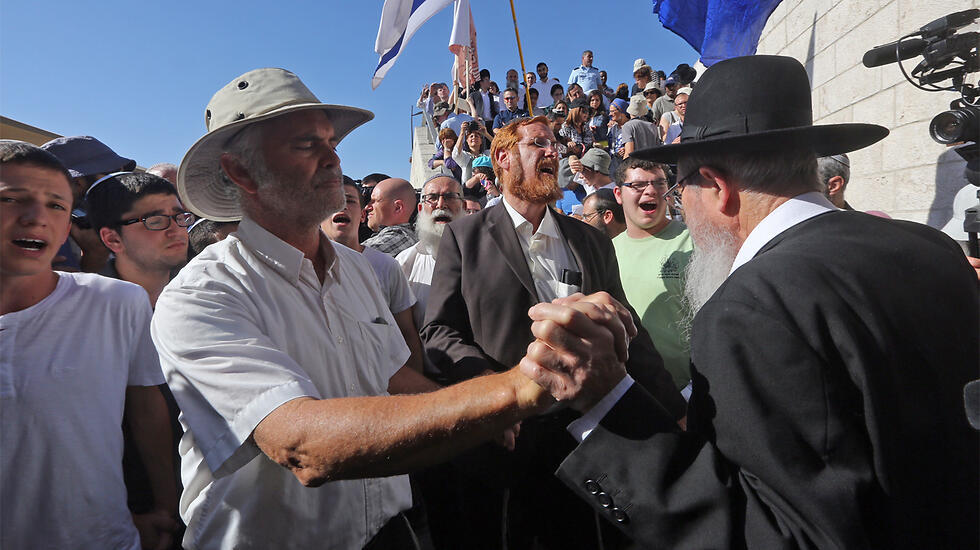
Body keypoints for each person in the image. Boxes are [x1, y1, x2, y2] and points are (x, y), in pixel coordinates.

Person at [519, 55, 979, 549]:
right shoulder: (932, 246)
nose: (682, 209)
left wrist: (608, 402)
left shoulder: (748, 306)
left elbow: (772, 533)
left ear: (716, 187)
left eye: (681, 189)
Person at [152, 67, 561, 549]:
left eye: (331, 142)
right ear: (240, 172)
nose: (333, 158)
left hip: (386, 531)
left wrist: (481, 416)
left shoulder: (358, 268)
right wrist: (512, 391)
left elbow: (392, 376)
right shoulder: (203, 293)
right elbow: (303, 446)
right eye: (307, 145)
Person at [421, 116, 686, 549]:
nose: (552, 151)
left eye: (555, 144)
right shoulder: (464, 237)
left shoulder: (591, 241)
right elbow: (438, 332)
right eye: (538, 143)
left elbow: (626, 328)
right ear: (503, 158)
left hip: (591, 433)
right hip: (511, 436)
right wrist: (490, 396)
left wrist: (674, 409)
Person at [0, 140, 178, 550]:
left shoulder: (116, 303)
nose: (36, 218)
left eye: (56, 205)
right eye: (13, 199)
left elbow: (146, 411)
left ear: (69, 227)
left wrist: (166, 511)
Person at [322, 178, 425, 375]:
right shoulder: (301, 269)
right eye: (332, 200)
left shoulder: (386, 266)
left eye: (349, 200)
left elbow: (407, 334)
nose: (341, 206)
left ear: (362, 215)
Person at [612, 157, 693, 392]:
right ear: (618, 194)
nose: (651, 191)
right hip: (632, 393)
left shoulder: (693, 241)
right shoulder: (607, 252)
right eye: (638, 185)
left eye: (659, 183)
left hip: (690, 391)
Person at [41, 134, 137, 272]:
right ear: (77, 183)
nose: (121, 182)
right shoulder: (43, 232)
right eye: (111, 174)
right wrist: (94, 255)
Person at [396, 174, 465, 332]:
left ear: (464, 206)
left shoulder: (485, 256)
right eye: (432, 198)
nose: (441, 205)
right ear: (420, 209)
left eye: (450, 197)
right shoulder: (405, 262)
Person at [363, 177, 419, 256]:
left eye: (374, 201)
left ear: (397, 208)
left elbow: (348, 260)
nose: (367, 207)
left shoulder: (399, 237)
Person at [454, 120, 492, 199]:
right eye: (471, 136)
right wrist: (462, 133)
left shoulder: (487, 154)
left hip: (488, 192)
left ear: (481, 141)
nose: (474, 137)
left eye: (477, 136)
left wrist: (486, 133)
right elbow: (456, 154)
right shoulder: (465, 157)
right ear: (467, 141)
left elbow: (500, 148)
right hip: (469, 193)